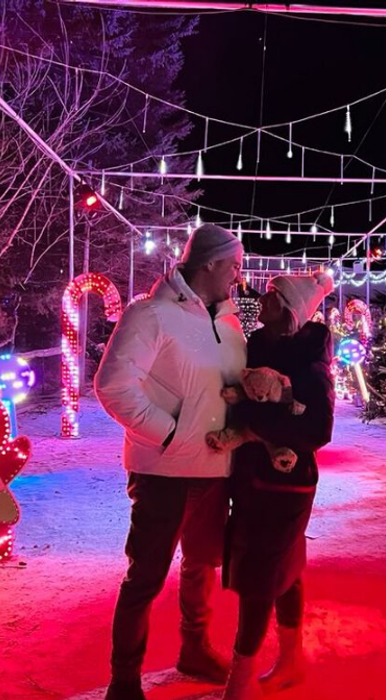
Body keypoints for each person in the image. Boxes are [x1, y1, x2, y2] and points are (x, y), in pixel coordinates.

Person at [94, 224, 246, 700]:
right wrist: (172, 433)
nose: (239, 276)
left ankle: (194, 648)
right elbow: (113, 386)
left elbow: (227, 387)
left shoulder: (229, 323)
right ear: (210, 264)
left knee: (202, 566)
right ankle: (124, 678)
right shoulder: (150, 315)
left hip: (216, 470)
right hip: (164, 472)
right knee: (146, 575)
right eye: (235, 265)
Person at [218, 270, 335, 699]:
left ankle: (241, 677)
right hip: (252, 478)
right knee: (284, 568)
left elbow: (319, 429)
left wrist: (255, 426)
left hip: (287, 484)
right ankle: (291, 661)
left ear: (288, 311)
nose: (263, 296)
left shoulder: (310, 363)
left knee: (259, 575)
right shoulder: (257, 345)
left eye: (273, 294)